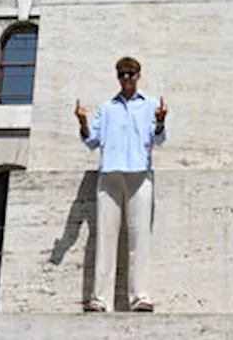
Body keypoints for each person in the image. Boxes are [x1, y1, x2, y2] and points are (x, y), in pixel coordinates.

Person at [74, 56, 167, 312]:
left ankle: (140, 296)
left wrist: (160, 121)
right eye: (121, 74)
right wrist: (82, 122)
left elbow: (159, 140)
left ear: (138, 75)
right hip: (110, 174)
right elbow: (92, 141)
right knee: (105, 236)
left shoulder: (150, 105)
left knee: (140, 238)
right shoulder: (106, 108)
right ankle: (100, 298)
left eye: (130, 73)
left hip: (140, 174)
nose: (126, 78)